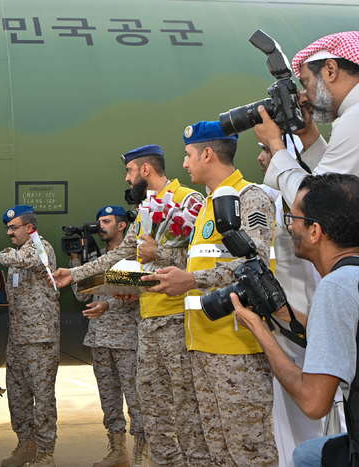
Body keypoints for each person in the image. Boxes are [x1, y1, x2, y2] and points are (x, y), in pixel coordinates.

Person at [53, 145, 211, 467]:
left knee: (185, 408)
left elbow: (200, 258)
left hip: (178, 319)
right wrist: (75, 272)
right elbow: (120, 255)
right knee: (152, 409)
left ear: (145, 170)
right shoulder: (144, 211)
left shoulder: (189, 202)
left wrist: (160, 256)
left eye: (129, 171)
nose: (127, 178)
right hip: (148, 320)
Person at [145, 121, 278, 466]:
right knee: (217, 453)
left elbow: (255, 263)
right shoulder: (209, 204)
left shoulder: (250, 198)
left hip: (237, 348)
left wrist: (190, 280)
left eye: (188, 156)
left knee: (249, 452)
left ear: (207, 153)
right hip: (203, 345)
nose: (185, 164)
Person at [227, 173, 359, 467]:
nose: (289, 226)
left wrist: (261, 332)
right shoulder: (351, 280)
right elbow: (344, 335)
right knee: (307, 453)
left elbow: (314, 403)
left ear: (315, 231)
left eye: (294, 218)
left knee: (306, 456)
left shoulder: (336, 287)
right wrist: (281, 311)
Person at [0, 205, 60, 467]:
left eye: (14, 227)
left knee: (43, 399)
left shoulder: (40, 249)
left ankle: (46, 454)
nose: (10, 232)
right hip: (19, 338)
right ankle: (26, 445)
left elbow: (28, 260)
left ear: (30, 228)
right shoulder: (17, 254)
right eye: (8, 228)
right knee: (18, 396)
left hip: (41, 339)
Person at [258, 143, 325, 467]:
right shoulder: (269, 199)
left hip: (307, 330)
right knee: (290, 442)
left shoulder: (318, 207)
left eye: (266, 150)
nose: (261, 158)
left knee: (317, 432)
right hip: (286, 332)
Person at [69, 205, 148, 467]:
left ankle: (142, 451)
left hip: (126, 338)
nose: (101, 226)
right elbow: (81, 295)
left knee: (135, 396)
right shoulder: (97, 257)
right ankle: (118, 450)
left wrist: (108, 305)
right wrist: (75, 260)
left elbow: (136, 294)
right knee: (108, 396)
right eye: (99, 221)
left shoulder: (134, 257)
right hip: (99, 337)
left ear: (122, 225)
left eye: (107, 221)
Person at [254, 31, 359, 206]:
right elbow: (337, 181)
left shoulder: (354, 119)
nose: (303, 98)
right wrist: (309, 134)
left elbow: (316, 203)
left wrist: (275, 144)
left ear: (331, 70)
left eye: (305, 83)